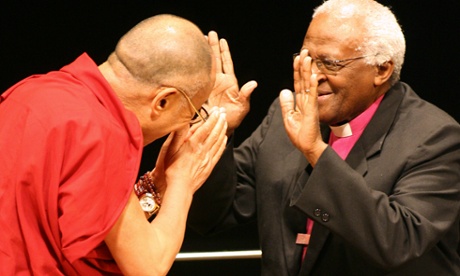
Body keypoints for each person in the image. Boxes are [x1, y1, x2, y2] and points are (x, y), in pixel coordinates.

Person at [188, 0, 460, 275]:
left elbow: (398, 241)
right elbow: (213, 216)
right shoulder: (287, 115)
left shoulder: (436, 138)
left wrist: (315, 151)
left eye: (330, 63)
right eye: (307, 59)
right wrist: (216, 128)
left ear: (381, 70)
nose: (313, 75)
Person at [0, 14, 233, 275]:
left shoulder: (32, 91)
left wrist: (156, 183)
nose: (184, 125)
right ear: (163, 101)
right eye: (192, 112)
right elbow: (150, 266)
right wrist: (182, 181)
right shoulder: (101, 134)